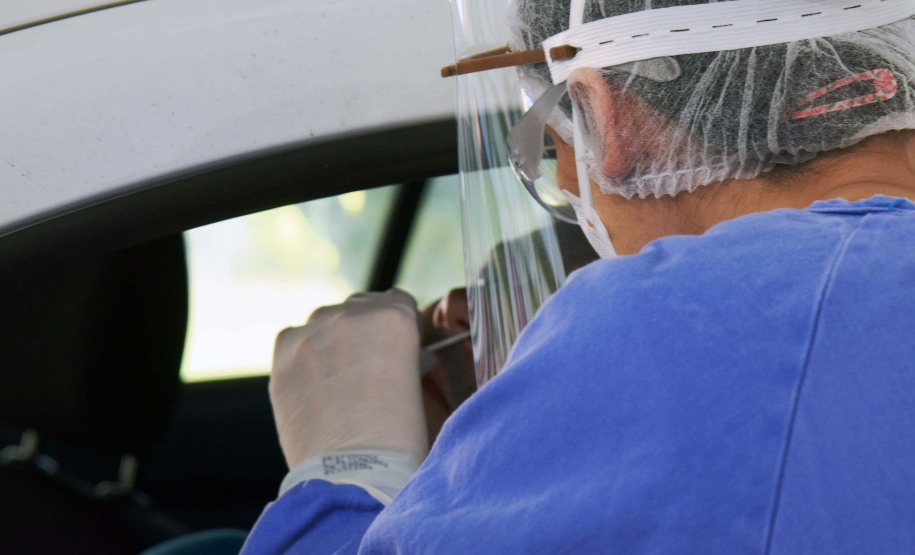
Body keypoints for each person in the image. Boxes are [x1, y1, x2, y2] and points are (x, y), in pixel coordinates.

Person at [242, 1, 915, 552]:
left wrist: (341, 473)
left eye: (554, 138)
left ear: (599, 112)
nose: (566, 178)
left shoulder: (666, 323)